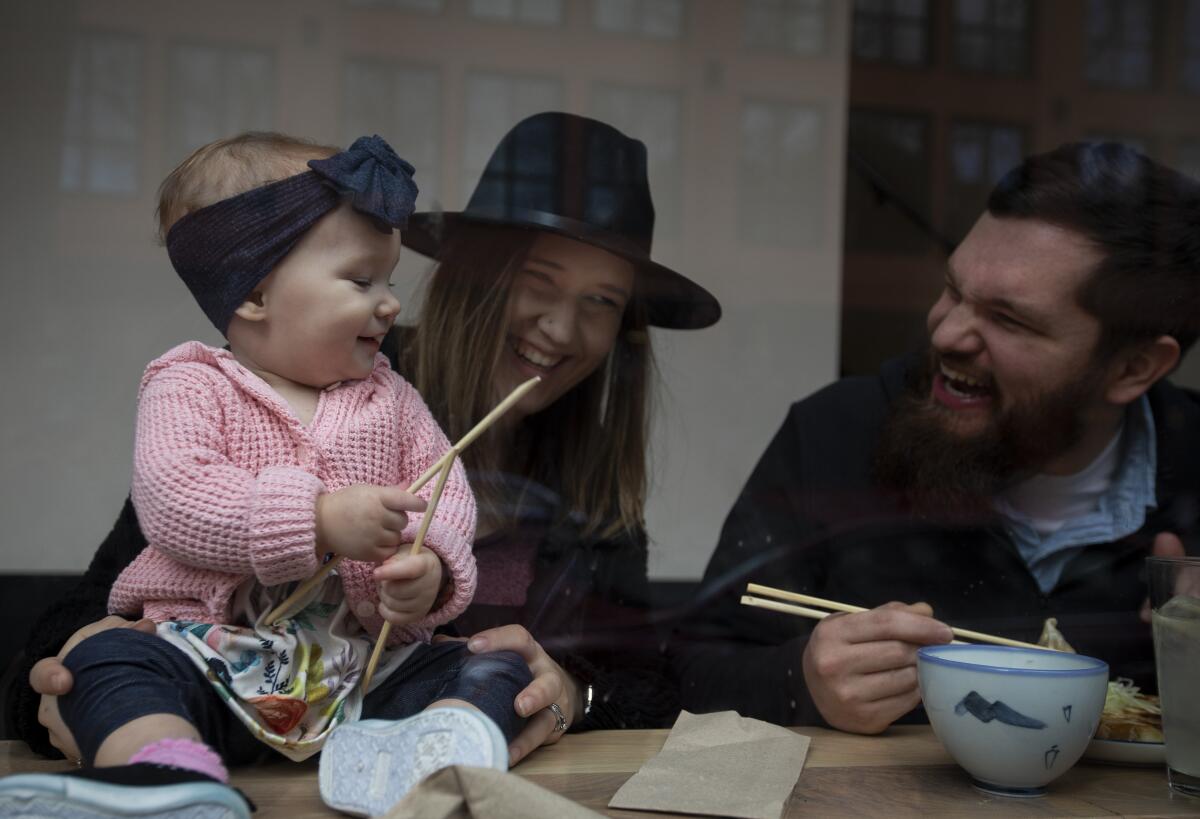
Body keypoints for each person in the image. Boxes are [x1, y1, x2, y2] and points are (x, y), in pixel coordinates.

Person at [9, 113, 721, 773]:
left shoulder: (585, 473)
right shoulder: (288, 380)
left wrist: (572, 693)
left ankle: (428, 755)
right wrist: (67, 685)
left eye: (602, 302)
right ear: (475, 275)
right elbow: (80, 623)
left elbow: (651, 685)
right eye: (538, 281)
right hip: (230, 736)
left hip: (408, 766)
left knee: (485, 675)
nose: (562, 330)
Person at [1, 132, 546, 818]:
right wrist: (317, 517)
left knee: (499, 665)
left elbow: (445, 493)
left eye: (390, 280)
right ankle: (167, 772)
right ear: (256, 292)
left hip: (362, 678)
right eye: (360, 280)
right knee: (106, 660)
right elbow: (175, 499)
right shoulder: (189, 384)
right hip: (213, 660)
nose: (389, 304)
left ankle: (421, 755)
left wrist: (428, 564)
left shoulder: (393, 396)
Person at [671, 141, 1200, 735]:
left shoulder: (1190, 474)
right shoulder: (837, 434)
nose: (947, 334)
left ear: (1133, 368)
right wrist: (800, 683)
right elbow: (687, 671)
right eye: (952, 289)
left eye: (1008, 319)